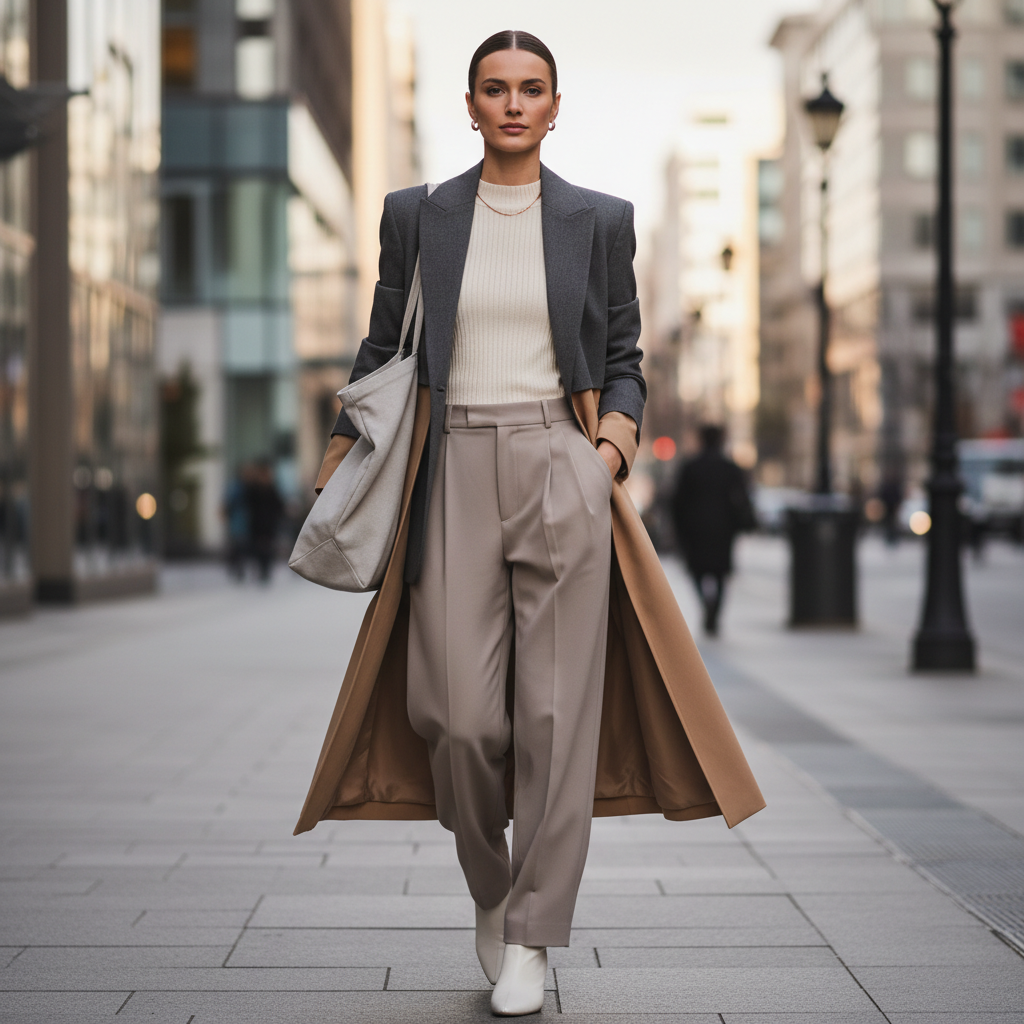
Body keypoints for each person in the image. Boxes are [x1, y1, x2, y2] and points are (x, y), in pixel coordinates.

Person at [299, 31, 764, 1018]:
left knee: (556, 716)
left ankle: (534, 936)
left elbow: (626, 353)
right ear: (470, 106)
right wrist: (342, 450)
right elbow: (384, 344)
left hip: (563, 459)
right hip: (451, 465)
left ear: (556, 106)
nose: (513, 104)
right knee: (456, 718)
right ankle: (489, 882)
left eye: (532, 90)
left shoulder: (599, 220)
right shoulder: (417, 216)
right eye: (495, 90)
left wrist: (606, 456)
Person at [671, 425, 755, 637]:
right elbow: (743, 499)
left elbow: (677, 501)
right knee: (720, 573)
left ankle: (707, 607)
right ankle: (714, 611)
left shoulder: (691, 467)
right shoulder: (730, 468)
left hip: (695, 530)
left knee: (697, 571)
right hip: (723, 529)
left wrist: (680, 528)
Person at [244, 458, 283, 583]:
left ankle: (266, 570)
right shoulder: (253, 488)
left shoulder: (272, 487)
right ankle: (261, 569)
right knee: (257, 547)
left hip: (269, 523)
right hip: (256, 523)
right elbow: (248, 504)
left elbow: (278, 505)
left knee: (268, 547)